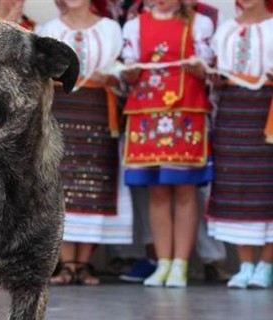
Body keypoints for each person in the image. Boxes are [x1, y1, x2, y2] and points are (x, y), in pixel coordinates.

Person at [121, 0, 214, 287]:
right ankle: (162, 262)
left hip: (185, 110)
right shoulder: (135, 24)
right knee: (157, 190)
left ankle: (181, 264)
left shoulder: (199, 23)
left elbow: (208, 71)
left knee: (185, 188)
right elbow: (129, 69)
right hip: (148, 111)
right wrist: (129, 71)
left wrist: (200, 67)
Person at [37, 0, 128, 286]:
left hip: (98, 109)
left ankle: (83, 263)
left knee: (94, 181)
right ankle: (64, 264)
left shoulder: (112, 28)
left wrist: (112, 77)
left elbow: (124, 69)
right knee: (59, 182)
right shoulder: (48, 29)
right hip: (59, 110)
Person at [208, 0, 273, 289]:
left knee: (267, 185)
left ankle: (266, 265)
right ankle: (245, 264)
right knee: (235, 185)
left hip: (267, 110)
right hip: (233, 112)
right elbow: (215, 68)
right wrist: (213, 77)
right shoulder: (225, 29)